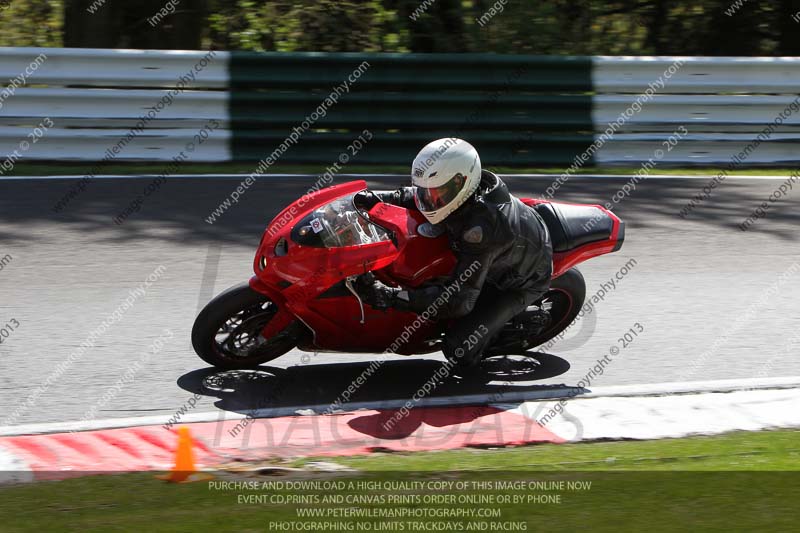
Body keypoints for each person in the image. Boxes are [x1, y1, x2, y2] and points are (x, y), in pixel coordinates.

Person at [355, 138, 553, 370]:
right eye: (427, 192)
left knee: (458, 348)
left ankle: (487, 348)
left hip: (520, 281)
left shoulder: (481, 229)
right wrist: (373, 198)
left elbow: (460, 301)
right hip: (502, 250)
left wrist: (391, 297)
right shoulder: (463, 191)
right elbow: (417, 196)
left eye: (437, 193)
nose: (429, 200)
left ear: (461, 182)